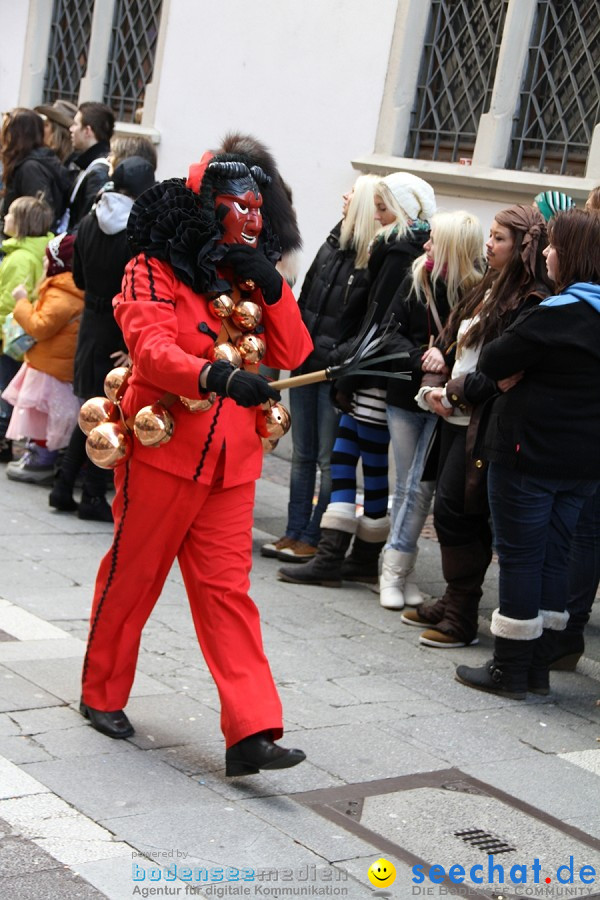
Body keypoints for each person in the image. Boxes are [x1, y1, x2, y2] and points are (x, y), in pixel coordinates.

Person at [78, 146, 313, 779]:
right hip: (162, 455)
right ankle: (100, 692)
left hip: (231, 467)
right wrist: (213, 373)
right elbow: (150, 350)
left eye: (260, 208)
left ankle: (252, 730)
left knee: (228, 596)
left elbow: (295, 347)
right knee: (133, 579)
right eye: (241, 206)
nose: (253, 220)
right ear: (207, 208)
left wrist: (271, 284)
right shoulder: (151, 269)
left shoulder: (249, 279)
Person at [456, 208, 600, 699]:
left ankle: (510, 668)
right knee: (555, 557)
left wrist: (511, 371)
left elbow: (495, 358)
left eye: (554, 246)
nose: (545, 253)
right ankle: (538, 665)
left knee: (520, 556)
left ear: (575, 255)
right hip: (583, 462)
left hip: (528, 455)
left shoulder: (557, 313)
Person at [278, 171, 436, 587]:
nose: (378, 213)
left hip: (375, 372)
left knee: (354, 458)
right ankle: (346, 556)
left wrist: (347, 365)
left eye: (384, 206)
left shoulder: (399, 250)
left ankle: (345, 556)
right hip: (370, 369)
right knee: (353, 457)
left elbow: (378, 320)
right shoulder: (398, 247)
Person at [405, 205, 552, 648]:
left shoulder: (531, 301)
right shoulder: (488, 287)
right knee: (451, 510)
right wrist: (435, 386)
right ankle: (455, 599)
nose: (489, 244)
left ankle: (462, 614)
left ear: (523, 247)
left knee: (460, 512)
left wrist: (453, 393)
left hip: (484, 423)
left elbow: (503, 372)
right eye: (489, 236)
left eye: (499, 238)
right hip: (456, 415)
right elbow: (447, 347)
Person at [261, 174, 380, 563]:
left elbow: (360, 319)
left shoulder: (370, 256)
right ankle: (293, 531)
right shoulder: (333, 242)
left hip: (330, 369)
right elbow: (307, 296)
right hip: (306, 360)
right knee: (303, 453)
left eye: (353, 192)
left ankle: (314, 534)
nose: (345, 195)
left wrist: (333, 358)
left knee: (328, 459)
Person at [379, 211, 484, 609]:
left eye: (435, 240)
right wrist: (422, 356)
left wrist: (448, 355)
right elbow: (387, 335)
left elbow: (477, 346)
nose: (426, 246)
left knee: (423, 487)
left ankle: (397, 569)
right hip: (407, 397)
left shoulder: (478, 291)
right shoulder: (414, 279)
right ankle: (394, 572)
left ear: (454, 248)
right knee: (410, 485)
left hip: (446, 403)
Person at [49, 156, 156, 521]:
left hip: (93, 322)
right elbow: (139, 289)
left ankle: (64, 487)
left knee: (91, 409)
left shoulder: (90, 220)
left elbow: (78, 277)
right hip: (120, 326)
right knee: (111, 411)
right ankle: (92, 495)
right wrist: (132, 344)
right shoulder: (139, 232)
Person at [3, 233, 83, 482]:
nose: (44, 266)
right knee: (49, 415)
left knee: (43, 416)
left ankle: (42, 458)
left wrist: (21, 303)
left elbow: (39, 325)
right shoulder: (69, 289)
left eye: (47, 261)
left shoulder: (62, 292)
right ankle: (44, 454)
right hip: (54, 364)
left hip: (49, 368)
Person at [0, 195, 54, 461]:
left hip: (8, 337)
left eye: (10, 214)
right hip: (22, 337)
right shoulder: (36, 252)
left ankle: (2, 441)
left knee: (3, 389)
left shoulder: (20, 258)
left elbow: (7, 303)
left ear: (20, 223)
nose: (4, 217)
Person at [0, 108, 70, 231]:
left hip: (24, 244)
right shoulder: (26, 163)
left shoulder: (31, 169)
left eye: (5, 130)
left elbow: (40, 216)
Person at [67, 102, 114, 230]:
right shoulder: (89, 163)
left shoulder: (99, 171)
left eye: (76, 124)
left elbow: (88, 223)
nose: (71, 129)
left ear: (87, 131)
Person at [34, 99, 78, 164]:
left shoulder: (72, 162)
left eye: (46, 125)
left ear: (58, 132)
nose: (41, 129)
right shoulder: (41, 155)